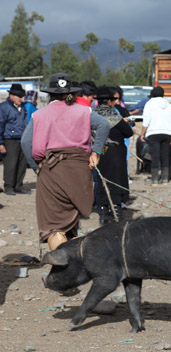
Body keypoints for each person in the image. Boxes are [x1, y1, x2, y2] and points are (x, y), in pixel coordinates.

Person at [20, 72, 110, 250]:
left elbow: (25, 142)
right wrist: (96, 153)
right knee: (70, 218)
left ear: (50, 94)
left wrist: (36, 167)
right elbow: (104, 125)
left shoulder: (40, 114)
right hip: (79, 169)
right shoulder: (84, 111)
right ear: (71, 93)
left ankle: (63, 267)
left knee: (53, 225)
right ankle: (71, 260)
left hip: (51, 169)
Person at [93, 86, 133, 224]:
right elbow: (129, 132)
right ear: (110, 101)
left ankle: (103, 214)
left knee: (101, 181)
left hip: (97, 153)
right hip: (115, 152)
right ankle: (116, 214)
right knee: (115, 181)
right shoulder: (115, 117)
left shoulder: (92, 116)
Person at [140, 86, 171, 185]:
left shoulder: (149, 104)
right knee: (165, 155)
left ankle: (155, 179)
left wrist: (142, 134)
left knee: (155, 155)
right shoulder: (169, 106)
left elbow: (146, 120)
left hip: (153, 132)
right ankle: (165, 179)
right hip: (166, 132)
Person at [0, 84, 29, 195]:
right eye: (18, 96)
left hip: (21, 138)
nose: (20, 99)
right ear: (11, 96)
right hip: (9, 139)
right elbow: (0, 125)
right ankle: (9, 186)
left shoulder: (23, 108)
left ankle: (18, 185)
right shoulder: (3, 108)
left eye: (21, 97)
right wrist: (0, 143)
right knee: (10, 164)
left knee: (21, 164)